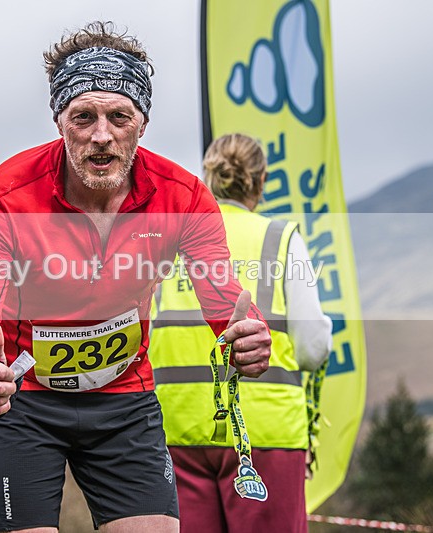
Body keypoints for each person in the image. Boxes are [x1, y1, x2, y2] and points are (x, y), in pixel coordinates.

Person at [0, 23, 271, 533]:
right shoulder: (1, 198)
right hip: (23, 400)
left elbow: (225, 306)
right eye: (83, 117)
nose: (101, 135)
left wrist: (248, 337)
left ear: (142, 123)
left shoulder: (183, 198)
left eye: (119, 116)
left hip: (124, 401)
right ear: (59, 121)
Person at [150, 133, 333, 533]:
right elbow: (312, 348)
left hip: (176, 430)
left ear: (207, 177)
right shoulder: (280, 238)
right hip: (265, 432)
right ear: (260, 182)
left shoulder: (170, 242)